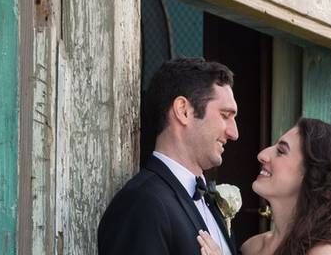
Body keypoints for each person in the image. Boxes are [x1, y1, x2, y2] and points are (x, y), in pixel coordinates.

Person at [98, 58, 240, 255]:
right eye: (225, 115)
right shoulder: (141, 204)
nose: (234, 133)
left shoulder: (211, 202)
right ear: (183, 111)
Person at [197, 118, 331, 255]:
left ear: (311, 174)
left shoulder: (325, 252)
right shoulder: (253, 246)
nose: (263, 154)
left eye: (281, 151)